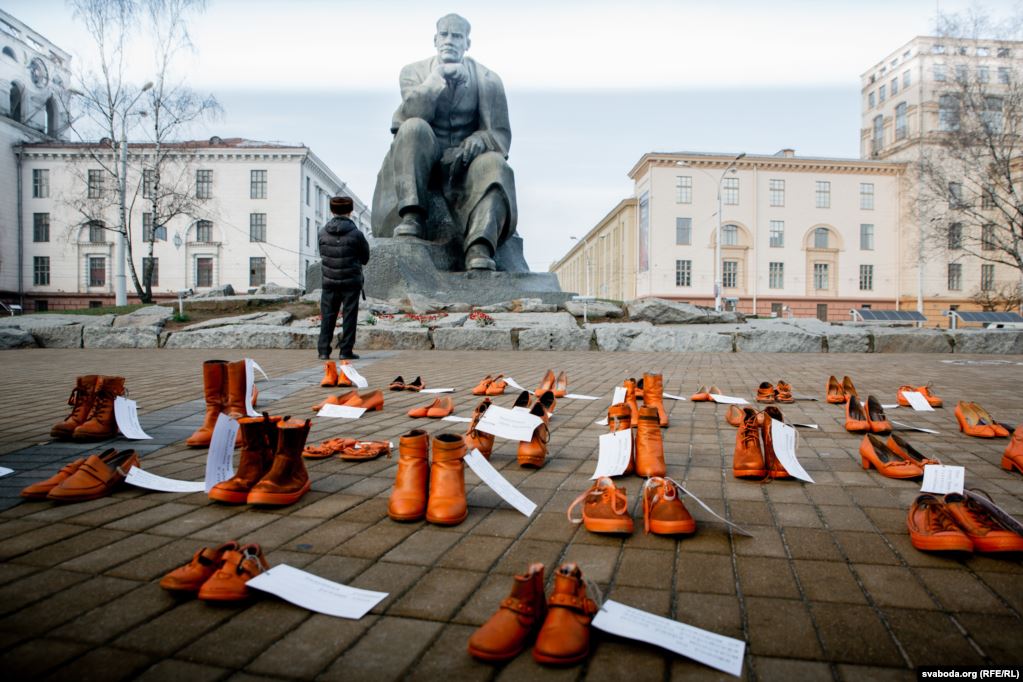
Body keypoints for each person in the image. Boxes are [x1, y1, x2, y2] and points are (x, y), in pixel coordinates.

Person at [371, 13, 518, 271]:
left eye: (457, 36)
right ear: (435, 39)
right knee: (413, 127)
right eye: (445, 35)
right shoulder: (413, 72)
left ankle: (479, 246)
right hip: (423, 157)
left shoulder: (489, 80)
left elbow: (500, 134)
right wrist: (436, 79)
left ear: (467, 43)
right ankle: (413, 217)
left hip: (466, 165)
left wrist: (479, 139)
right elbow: (409, 115)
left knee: (497, 166)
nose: (450, 40)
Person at [317, 196, 370, 360]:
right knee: (349, 316)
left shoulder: (322, 233)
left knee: (327, 316)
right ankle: (346, 351)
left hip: (329, 282)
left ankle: (324, 351)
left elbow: (323, 254)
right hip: (351, 282)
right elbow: (365, 258)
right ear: (350, 211)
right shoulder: (357, 234)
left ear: (332, 211)